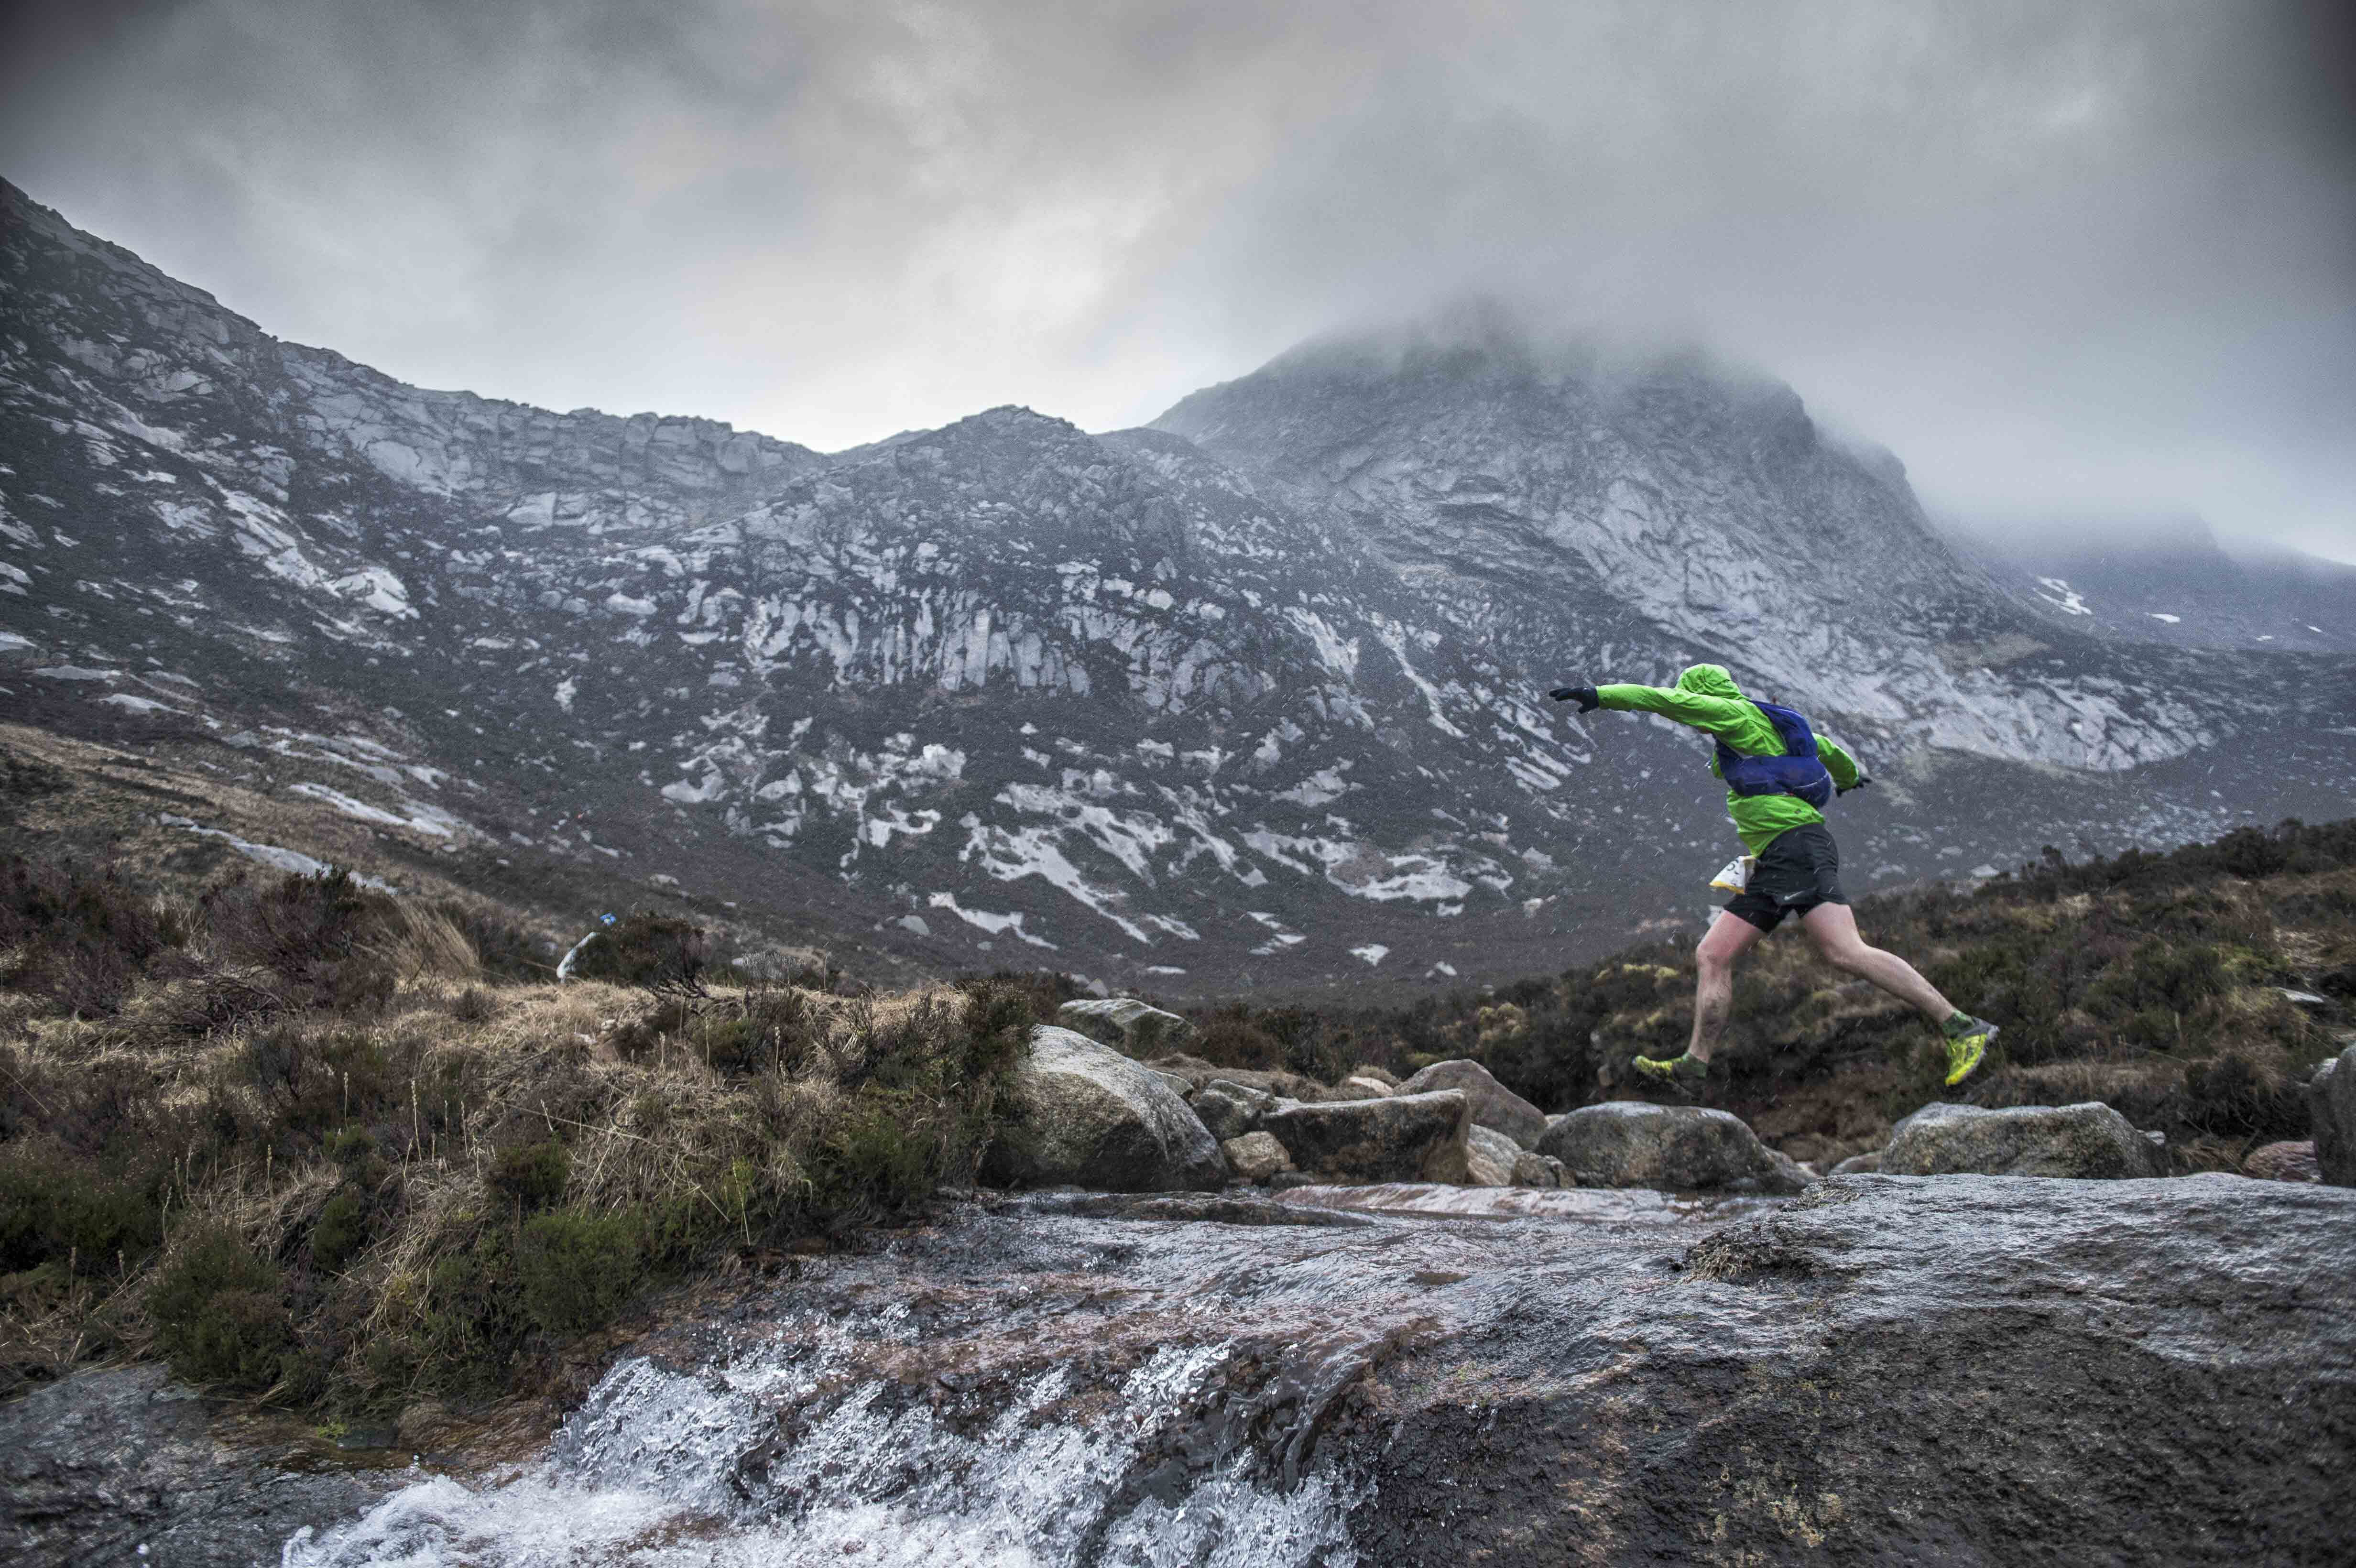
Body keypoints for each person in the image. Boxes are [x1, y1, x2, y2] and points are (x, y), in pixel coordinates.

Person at [1550, 664, 1998, 1094]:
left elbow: (1657, 700)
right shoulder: (1766, 722)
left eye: (1693, 701)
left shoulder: (1727, 712)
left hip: (1794, 847)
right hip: (1780, 854)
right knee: (1714, 954)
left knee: (1844, 951)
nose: (1694, 717)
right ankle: (1694, 1066)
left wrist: (1599, 695)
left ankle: (1961, 1026)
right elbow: (1826, 748)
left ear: (1703, 696)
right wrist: (1847, 778)